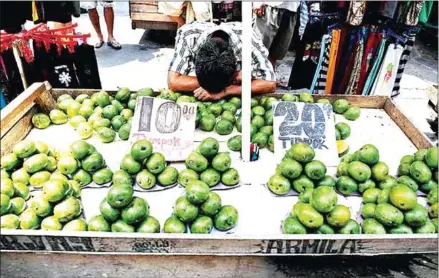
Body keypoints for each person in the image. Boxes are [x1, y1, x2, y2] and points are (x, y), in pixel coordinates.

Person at [168, 21, 275, 100]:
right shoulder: (188, 35)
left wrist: (227, 90)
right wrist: (212, 84)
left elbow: (270, 84)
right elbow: (173, 81)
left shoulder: (249, 40)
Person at [253, 2, 299, 70]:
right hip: (269, 6)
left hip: (291, 9)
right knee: (258, 50)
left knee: (276, 52)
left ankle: (270, 77)